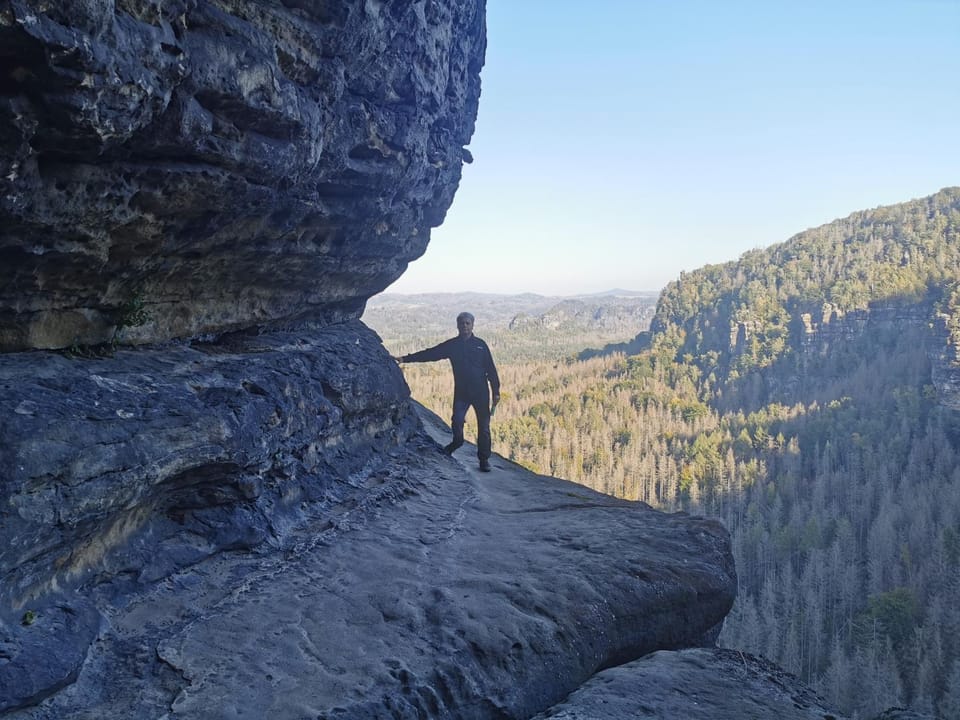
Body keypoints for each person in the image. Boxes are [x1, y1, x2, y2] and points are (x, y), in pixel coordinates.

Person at [394, 312, 501, 472]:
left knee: (484, 428)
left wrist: (496, 391)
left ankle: (484, 460)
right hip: (462, 393)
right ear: (457, 325)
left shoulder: (481, 345)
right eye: (462, 323)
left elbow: (491, 370)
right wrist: (405, 359)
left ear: (473, 325)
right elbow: (431, 354)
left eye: (467, 323)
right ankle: (457, 442)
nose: (465, 326)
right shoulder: (452, 345)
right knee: (457, 421)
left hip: (481, 393)